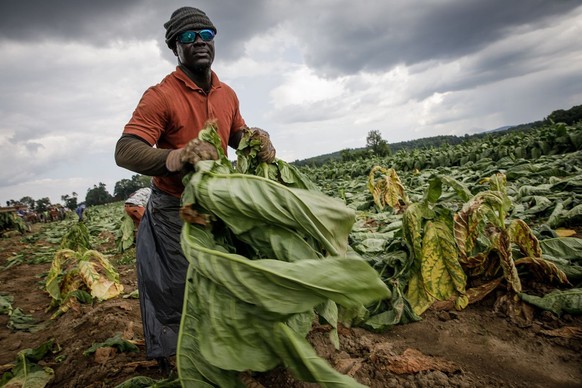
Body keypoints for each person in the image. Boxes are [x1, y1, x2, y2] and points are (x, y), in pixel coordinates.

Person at [114, 6, 276, 374]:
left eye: (206, 35)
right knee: (177, 285)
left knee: (229, 274)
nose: (199, 42)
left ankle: (235, 345)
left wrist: (257, 139)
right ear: (175, 47)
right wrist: (175, 158)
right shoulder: (161, 95)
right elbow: (125, 149)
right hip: (175, 207)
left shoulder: (226, 93)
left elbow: (236, 135)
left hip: (219, 205)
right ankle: (179, 360)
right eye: (188, 37)